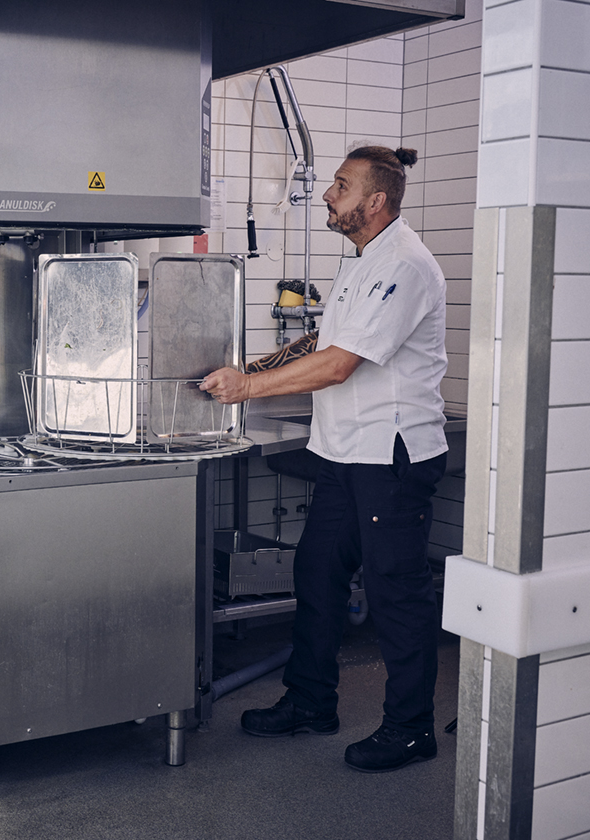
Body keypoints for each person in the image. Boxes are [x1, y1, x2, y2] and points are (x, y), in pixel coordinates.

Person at [200, 145, 448, 773]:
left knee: (396, 594)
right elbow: (323, 339)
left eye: (340, 186)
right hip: (343, 454)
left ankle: (412, 728)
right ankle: (311, 701)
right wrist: (254, 365)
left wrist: (247, 388)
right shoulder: (362, 262)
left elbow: (339, 365)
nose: (327, 195)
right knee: (316, 574)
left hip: (389, 457)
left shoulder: (406, 266)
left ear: (376, 201)